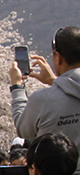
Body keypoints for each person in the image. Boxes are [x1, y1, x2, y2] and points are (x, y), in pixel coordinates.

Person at [11, 26, 80, 163]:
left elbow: (23, 129)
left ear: (58, 58)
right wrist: (56, 82)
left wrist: (17, 86)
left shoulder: (43, 99)